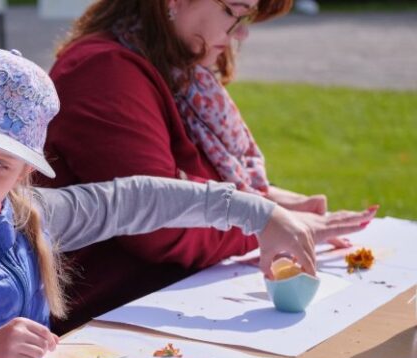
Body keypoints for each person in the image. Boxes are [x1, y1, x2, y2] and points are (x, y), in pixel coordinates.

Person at [0, 48, 373, 358]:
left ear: (24, 174)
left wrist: (258, 212)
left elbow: (135, 199)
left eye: (0, 165)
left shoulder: (26, 216)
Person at [38, 0, 373, 333]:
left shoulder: (169, 67)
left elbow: (189, 176)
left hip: (160, 307)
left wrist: (274, 202)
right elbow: (158, 222)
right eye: (232, 11)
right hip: (101, 325)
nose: (241, 33)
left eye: (247, 18)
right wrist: (263, 221)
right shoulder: (103, 71)